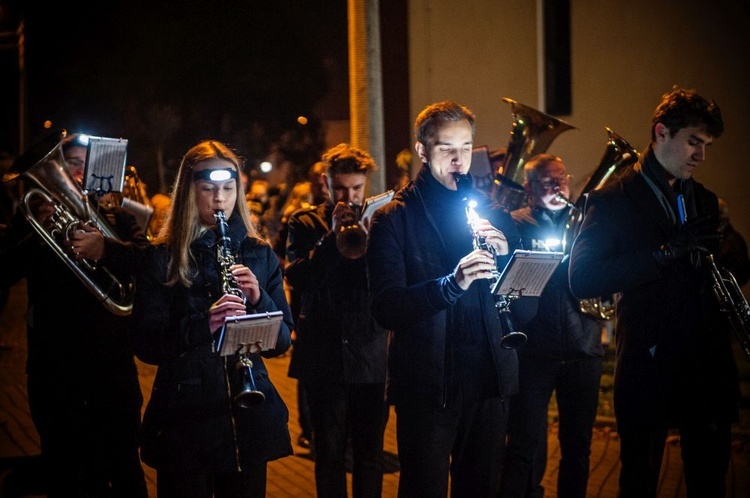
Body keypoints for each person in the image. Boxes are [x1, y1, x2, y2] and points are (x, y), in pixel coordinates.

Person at [569, 86, 740, 498]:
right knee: (640, 481)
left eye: (707, 145)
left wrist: (731, 248)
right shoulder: (612, 201)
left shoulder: (703, 198)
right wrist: (663, 254)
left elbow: (735, 270)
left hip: (704, 365)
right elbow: (583, 277)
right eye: (693, 142)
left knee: (709, 479)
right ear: (661, 133)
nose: (701, 155)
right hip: (650, 361)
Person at [366, 101, 522, 497]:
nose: (459, 160)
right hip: (428, 386)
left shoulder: (492, 213)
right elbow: (386, 307)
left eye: (466, 148)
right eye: (446, 148)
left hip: (488, 380)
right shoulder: (393, 218)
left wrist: (509, 261)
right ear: (422, 150)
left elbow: (524, 306)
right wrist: (451, 285)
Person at [131, 140, 294, 498]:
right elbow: (146, 343)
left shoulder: (258, 253)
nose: (220, 199)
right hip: (185, 421)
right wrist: (205, 323)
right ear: (190, 192)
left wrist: (257, 298)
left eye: (228, 188)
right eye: (208, 189)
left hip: (248, 420)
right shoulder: (163, 257)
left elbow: (281, 340)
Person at [0, 132, 149, 497]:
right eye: (69, 165)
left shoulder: (122, 219)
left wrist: (106, 249)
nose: (76, 173)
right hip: (53, 366)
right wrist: (32, 228)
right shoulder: (34, 220)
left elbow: (148, 266)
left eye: (85, 164)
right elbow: (3, 272)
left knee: (125, 463)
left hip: (111, 365)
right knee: (63, 468)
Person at [284, 143, 390, 497]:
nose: (350, 197)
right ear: (326, 184)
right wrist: (331, 238)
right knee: (327, 455)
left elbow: (387, 281)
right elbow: (298, 277)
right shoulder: (304, 222)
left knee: (369, 456)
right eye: (341, 188)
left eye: (357, 189)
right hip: (324, 357)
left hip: (371, 355)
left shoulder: (379, 222)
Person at [499, 154, 604, 498]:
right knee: (524, 441)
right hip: (535, 350)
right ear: (529, 188)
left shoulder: (588, 223)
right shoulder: (516, 224)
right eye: (547, 181)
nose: (558, 186)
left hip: (583, 348)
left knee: (579, 445)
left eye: (562, 178)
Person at [718, 198, 750, 287]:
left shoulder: (733, 240)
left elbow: (742, 271)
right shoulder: (725, 238)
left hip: (727, 293)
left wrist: (723, 284)